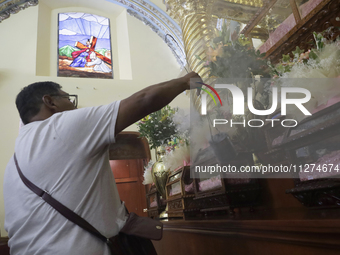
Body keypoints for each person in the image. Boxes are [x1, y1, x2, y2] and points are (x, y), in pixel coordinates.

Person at [3, 72, 202, 254]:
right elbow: (144, 100)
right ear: (50, 102)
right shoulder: (59, 126)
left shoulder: (13, 164)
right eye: (69, 99)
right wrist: (184, 81)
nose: (75, 106)